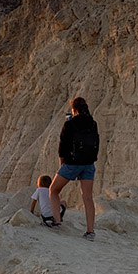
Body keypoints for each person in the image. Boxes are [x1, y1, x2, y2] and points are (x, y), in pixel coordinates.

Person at [49, 97, 99, 241]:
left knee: (53, 190)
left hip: (72, 163)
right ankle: (90, 232)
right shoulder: (93, 123)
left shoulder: (70, 124)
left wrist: (62, 166)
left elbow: (62, 148)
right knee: (88, 198)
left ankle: (57, 222)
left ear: (74, 109)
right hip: (89, 163)